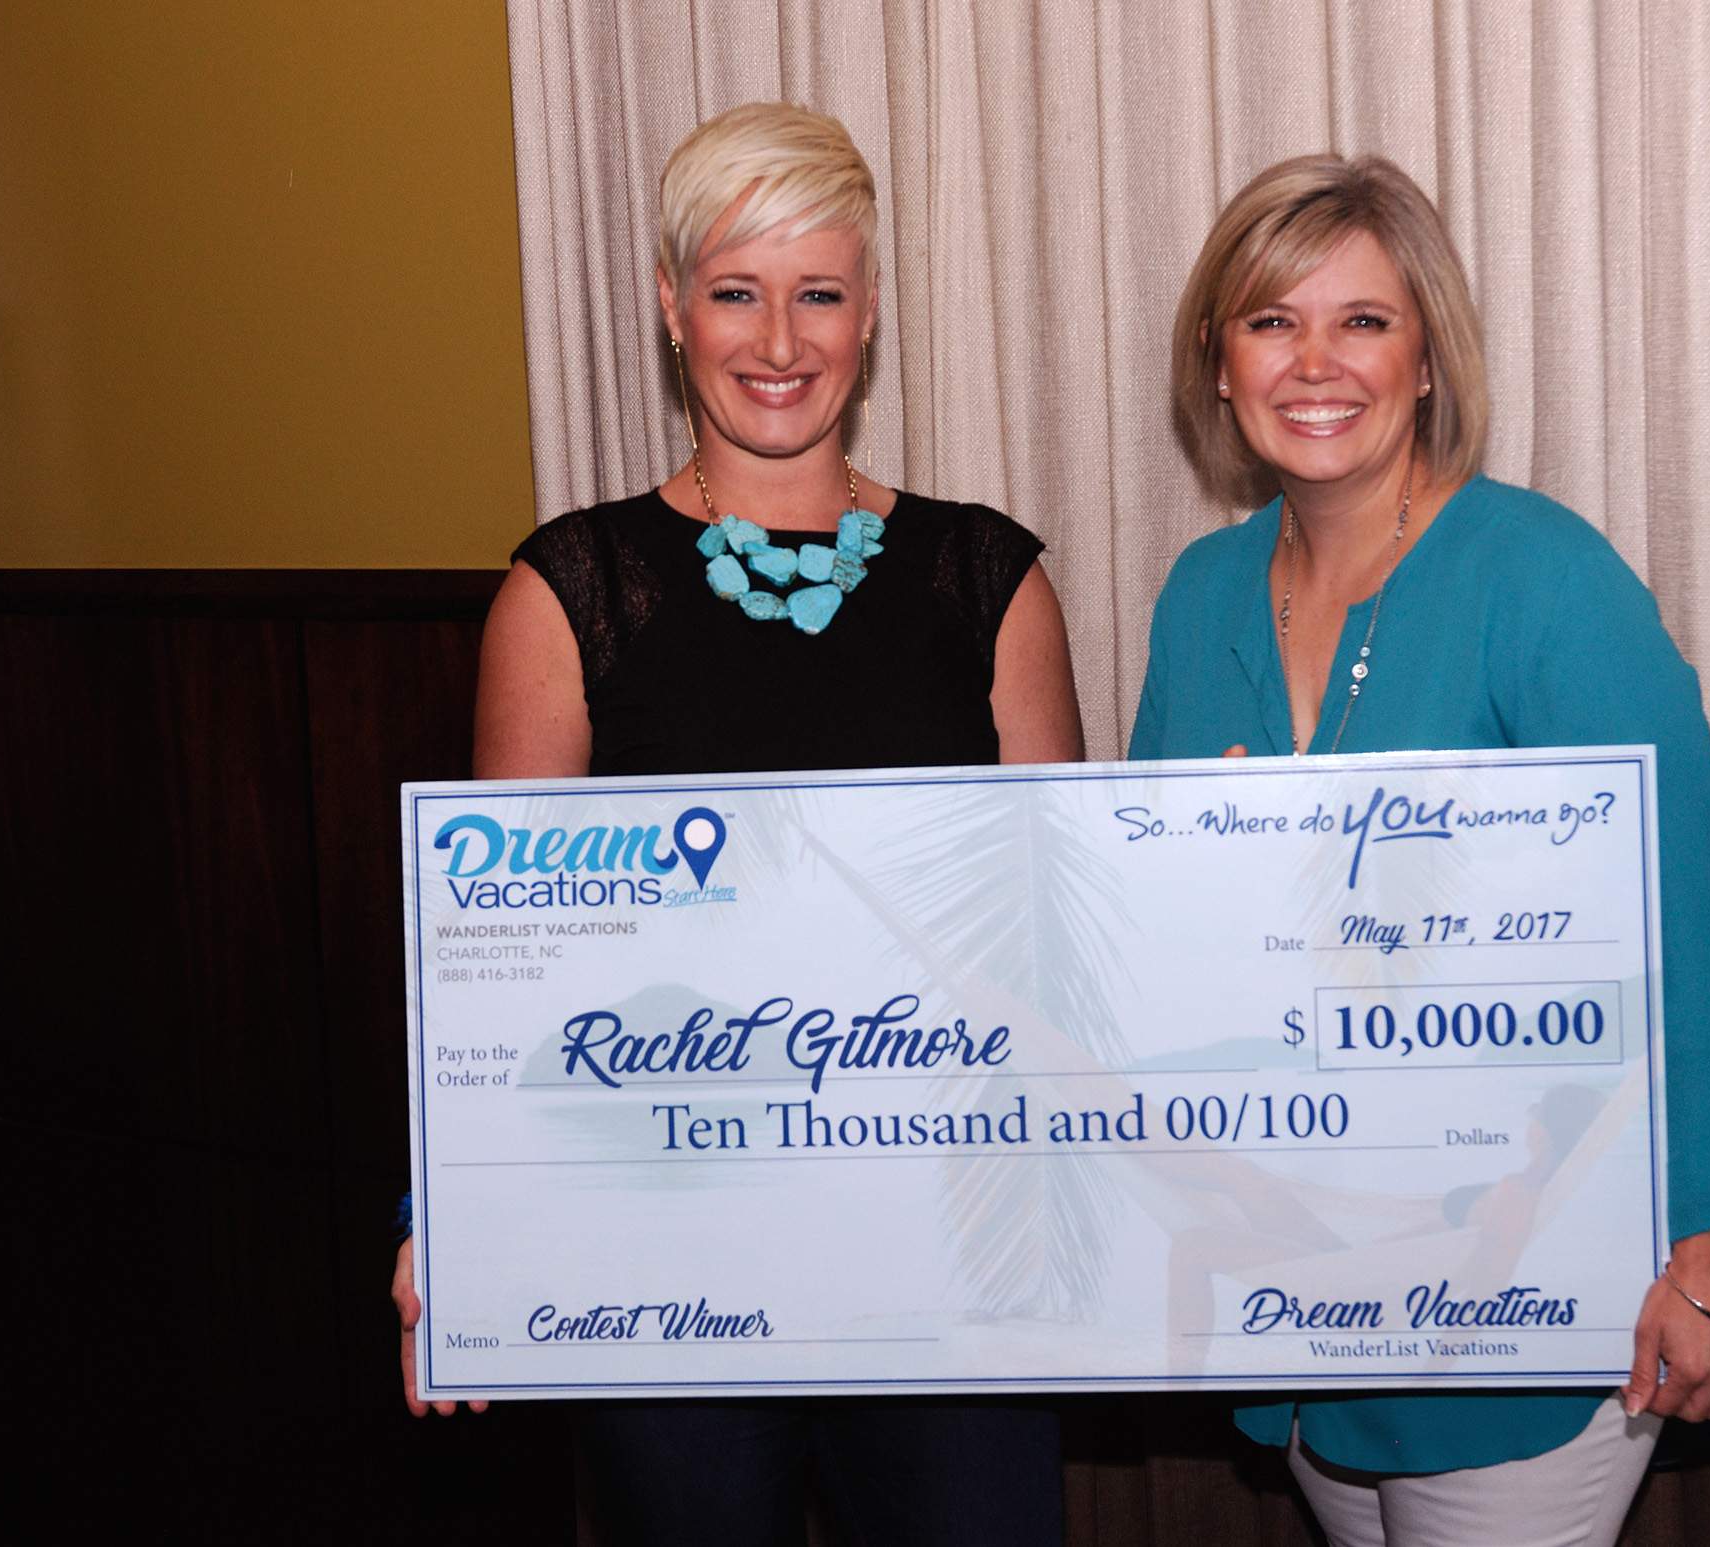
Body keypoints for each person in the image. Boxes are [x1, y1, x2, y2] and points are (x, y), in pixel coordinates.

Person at [390, 101, 1080, 1545]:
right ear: (669, 306)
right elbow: (500, 961)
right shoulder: (569, 590)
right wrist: (442, 1215)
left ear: (871, 310)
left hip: (952, 1251)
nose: (780, 340)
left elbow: (1057, 948)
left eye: (819, 291)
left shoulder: (988, 580)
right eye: (735, 291)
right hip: (666, 1246)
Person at [1130, 153, 1710, 1546]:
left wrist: (1707, 1250)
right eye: (1270, 320)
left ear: (1427, 358)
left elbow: (1684, 925)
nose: (1318, 362)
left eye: (1362, 320)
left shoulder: (1547, 580)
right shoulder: (1199, 599)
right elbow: (1150, 950)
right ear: (1218, 360)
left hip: (1530, 1294)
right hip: (1300, 1296)